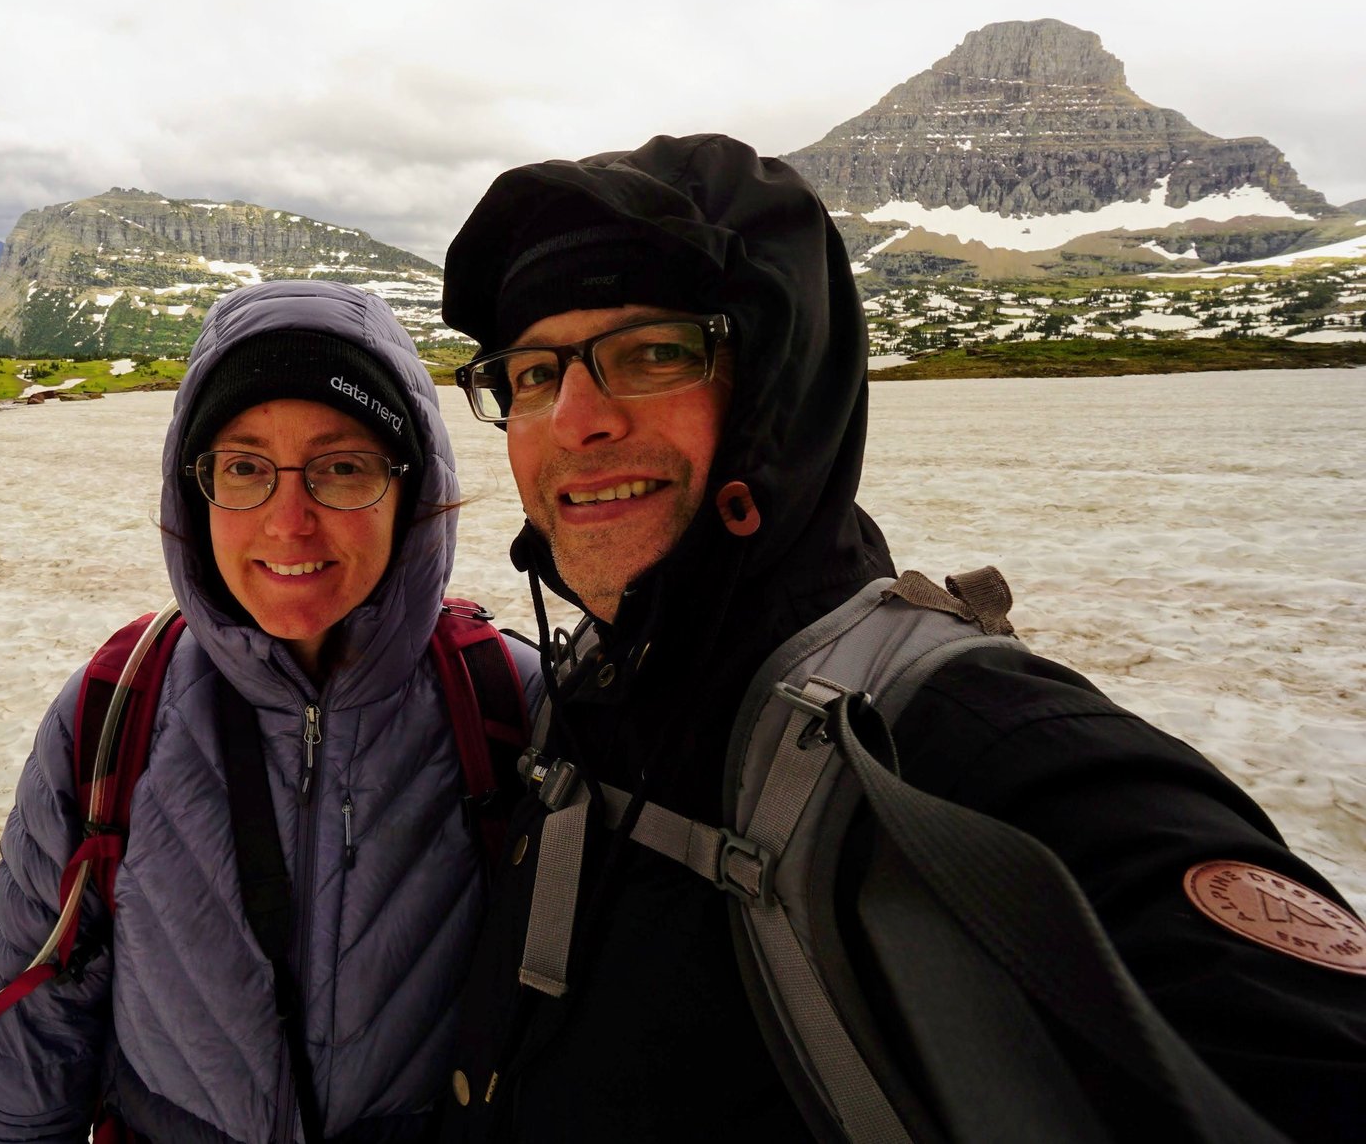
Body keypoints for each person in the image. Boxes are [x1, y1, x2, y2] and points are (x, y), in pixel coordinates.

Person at [431, 134, 1366, 1143]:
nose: (573, 419)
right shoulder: (580, 693)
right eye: (531, 374)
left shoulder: (970, 751)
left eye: (652, 353)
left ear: (774, 397)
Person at [0, 279, 538, 1144]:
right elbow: (35, 1040)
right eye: (244, 467)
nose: (289, 521)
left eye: (342, 466)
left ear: (409, 488)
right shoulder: (111, 715)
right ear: (196, 492)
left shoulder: (509, 709)